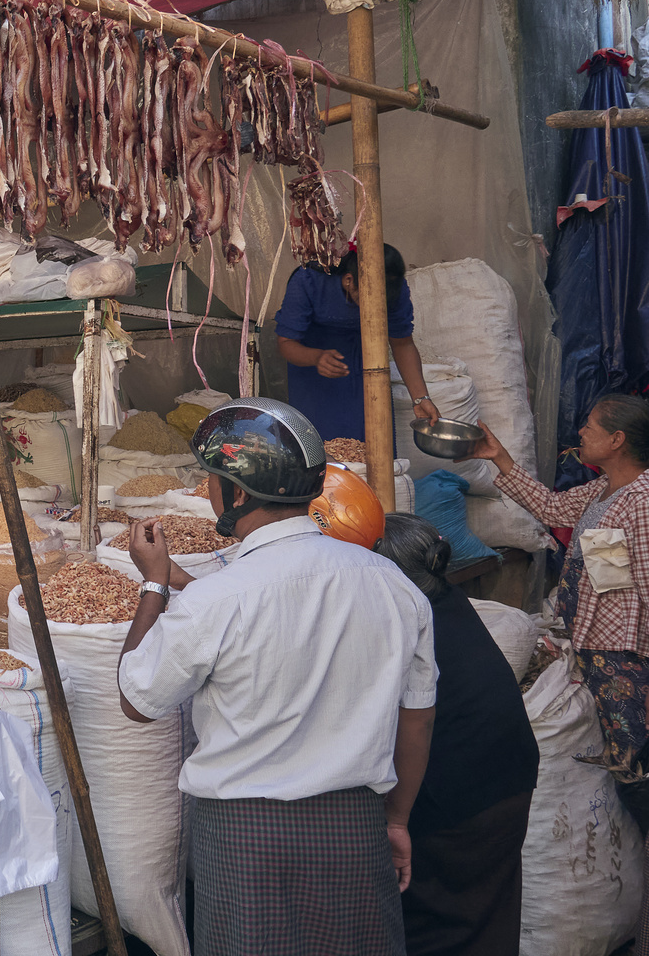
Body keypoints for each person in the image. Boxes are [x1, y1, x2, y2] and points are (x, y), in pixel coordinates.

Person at [117, 398, 436, 955]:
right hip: (353, 828)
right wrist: (398, 819)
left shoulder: (220, 598)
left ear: (237, 494)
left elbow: (137, 698)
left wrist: (153, 585)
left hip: (244, 836)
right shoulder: (394, 585)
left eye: (211, 481)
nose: (207, 491)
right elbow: (418, 721)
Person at [471, 393, 649, 823]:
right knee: (614, 744)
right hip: (592, 640)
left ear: (617, 440)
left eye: (590, 426)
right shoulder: (605, 488)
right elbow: (553, 508)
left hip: (621, 652)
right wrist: (501, 459)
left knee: (633, 757)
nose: (581, 432)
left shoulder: (642, 501)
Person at [374, 513, 538, 956]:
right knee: (488, 917)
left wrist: (396, 819)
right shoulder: (445, 596)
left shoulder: (401, 619)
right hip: (508, 776)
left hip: (456, 799)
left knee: (435, 924)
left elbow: (415, 720)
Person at [276, 244, 441, 441]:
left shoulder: (394, 289)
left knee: (373, 441)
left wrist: (421, 398)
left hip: (368, 369)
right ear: (348, 281)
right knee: (318, 446)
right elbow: (286, 342)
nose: (377, 307)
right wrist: (316, 357)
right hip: (312, 371)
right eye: (370, 299)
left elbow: (402, 344)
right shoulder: (309, 280)